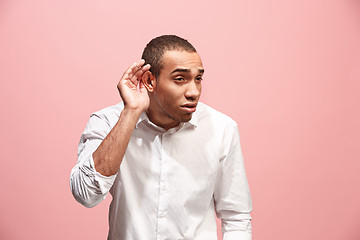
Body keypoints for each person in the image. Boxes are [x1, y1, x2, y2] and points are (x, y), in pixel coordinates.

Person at [70, 35, 252, 240]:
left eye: (198, 79)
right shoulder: (106, 122)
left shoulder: (222, 128)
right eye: (180, 79)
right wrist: (131, 113)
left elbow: (236, 216)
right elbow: (86, 195)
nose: (193, 92)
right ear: (149, 81)